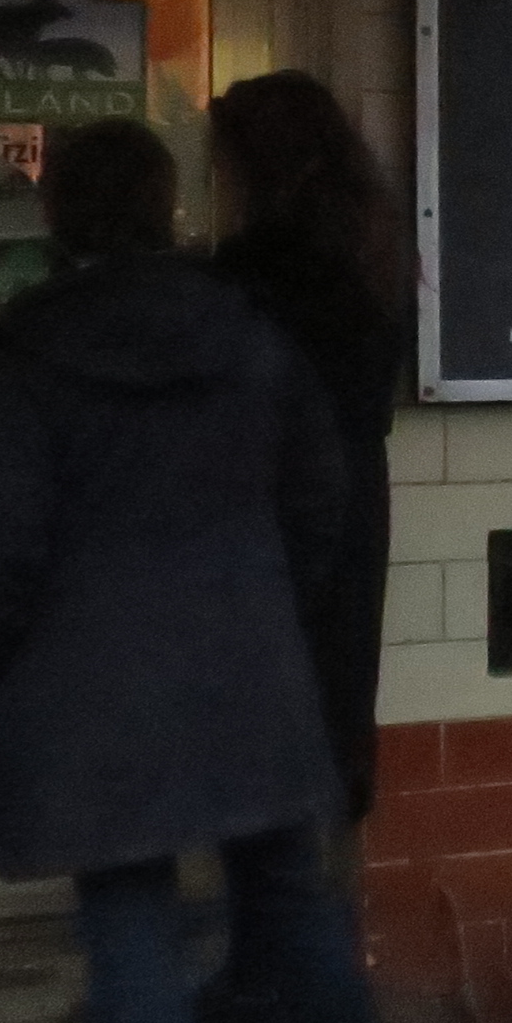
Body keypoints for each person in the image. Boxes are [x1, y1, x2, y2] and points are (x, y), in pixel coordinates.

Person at [0, 119, 408, 1023]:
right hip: (249, 655)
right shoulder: (248, 331)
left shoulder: (36, 347)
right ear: (167, 209)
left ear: (57, 213)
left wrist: (0, 653)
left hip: (96, 675)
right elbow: (320, 495)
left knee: (128, 915)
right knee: (291, 886)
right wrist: (267, 604)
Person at [205, 73, 402, 824]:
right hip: (354, 512)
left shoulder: (251, 280)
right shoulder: (373, 257)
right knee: (329, 730)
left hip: (268, 531)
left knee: (264, 773)